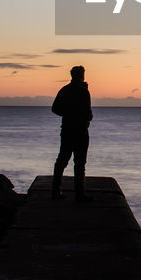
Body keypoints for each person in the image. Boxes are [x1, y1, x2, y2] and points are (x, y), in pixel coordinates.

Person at [51, 65, 93, 201]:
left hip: (69, 130)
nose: (83, 75)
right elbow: (87, 112)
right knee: (77, 163)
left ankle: (56, 191)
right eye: (82, 73)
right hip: (78, 131)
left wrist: (69, 114)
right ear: (80, 75)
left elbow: (55, 108)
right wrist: (76, 115)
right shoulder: (81, 91)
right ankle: (78, 194)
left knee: (64, 161)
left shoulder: (66, 90)